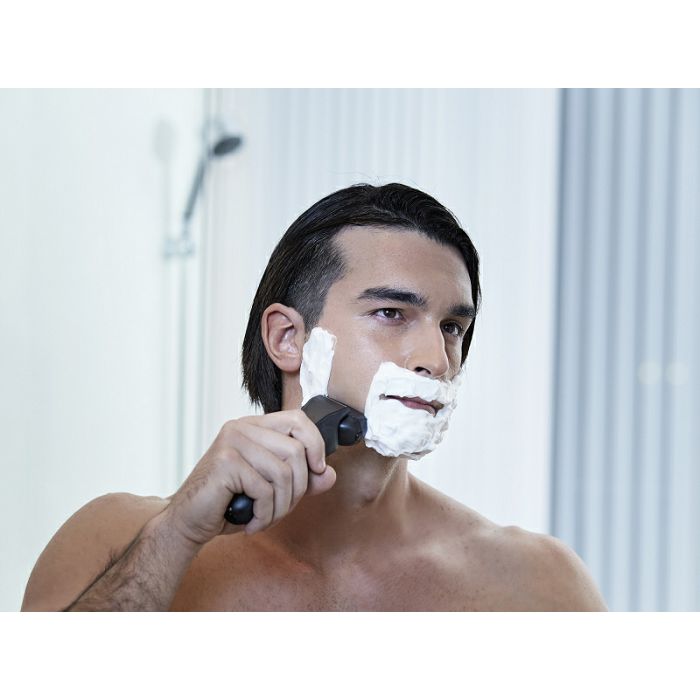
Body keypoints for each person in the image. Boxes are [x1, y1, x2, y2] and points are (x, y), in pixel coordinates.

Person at [21, 183, 607, 611]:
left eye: (452, 326)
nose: (436, 358)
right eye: (391, 313)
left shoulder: (539, 585)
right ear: (288, 338)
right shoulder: (116, 542)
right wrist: (176, 535)